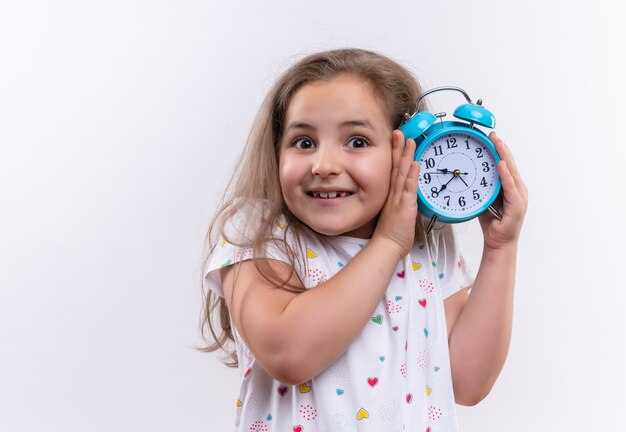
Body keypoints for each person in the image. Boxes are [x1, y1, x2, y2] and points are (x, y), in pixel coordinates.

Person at [200, 48, 528, 431]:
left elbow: (468, 382)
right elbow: (287, 353)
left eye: (356, 142)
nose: (324, 166)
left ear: (404, 153)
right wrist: (387, 243)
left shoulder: (428, 243)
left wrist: (501, 249)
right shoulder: (257, 233)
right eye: (304, 142)